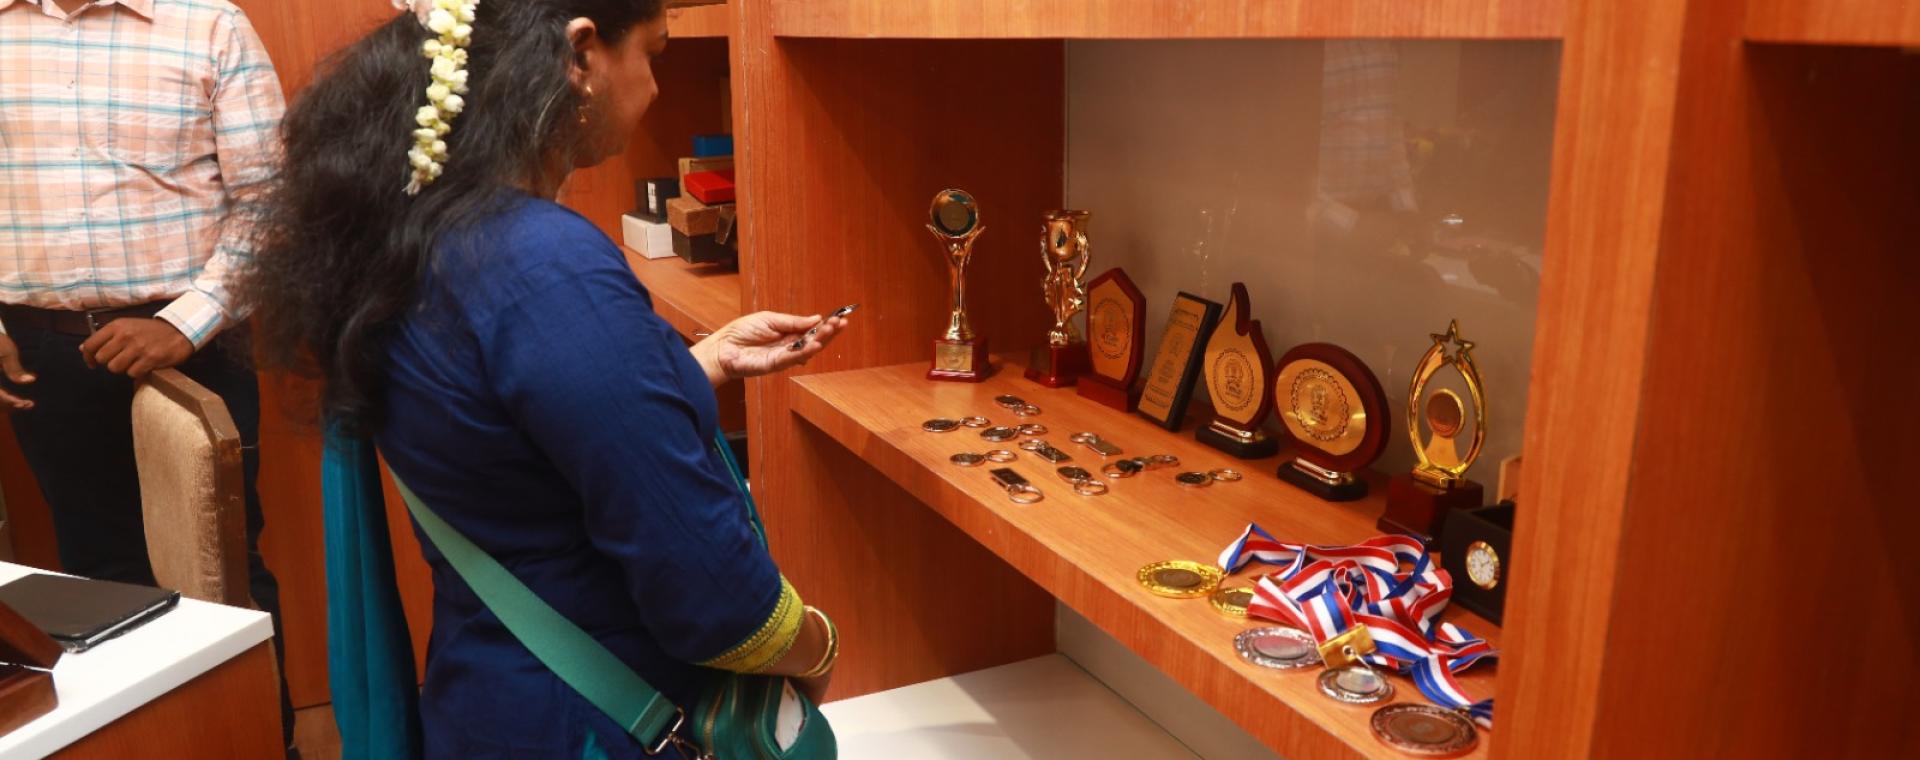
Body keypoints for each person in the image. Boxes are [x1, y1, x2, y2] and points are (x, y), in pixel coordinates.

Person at [238, 0, 845, 756]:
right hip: (604, 719)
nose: (655, 86)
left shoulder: (423, 231)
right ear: (580, 53)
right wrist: (817, 645)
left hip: (490, 693)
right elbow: (714, 597)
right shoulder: (544, 263)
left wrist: (704, 361)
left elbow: (512, 431)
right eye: (652, 53)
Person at [0, 0, 297, 754]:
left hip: (194, 350)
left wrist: (183, 323)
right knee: (96, 581)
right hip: (40, 356)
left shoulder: (209, 24)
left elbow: (273, 203)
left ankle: (266, 747)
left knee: (223, 579)